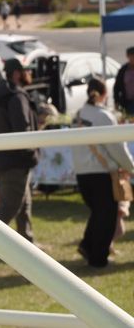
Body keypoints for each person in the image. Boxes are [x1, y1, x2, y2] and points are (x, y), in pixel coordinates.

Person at [72, 78, 134, 268]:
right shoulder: (104, 116)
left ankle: (87, 246)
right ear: (104, 93)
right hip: (102, 173)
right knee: (106, 218)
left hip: (82, 172)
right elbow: (117, 146)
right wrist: (130, 167)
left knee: (98, 214)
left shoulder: (78, 115)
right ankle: (98, 258)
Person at [0, 59, 39, 260]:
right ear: (16, 74)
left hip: (3, 157)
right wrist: (31, 153)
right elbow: (22, 129)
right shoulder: (17, 97)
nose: (28, 74)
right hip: (16, 160)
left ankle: (28, 244)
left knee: (23, 204)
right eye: (25, 71)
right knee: (10, 206)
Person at [113, 46, 134, 115]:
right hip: (127, 102)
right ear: (128, 56)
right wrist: (116, 102)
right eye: (131, 56)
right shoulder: (123, 70)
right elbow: (117, 87)